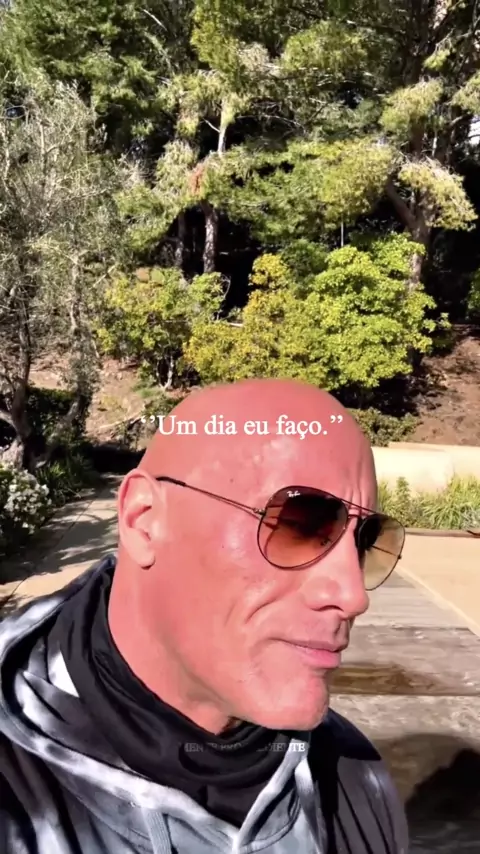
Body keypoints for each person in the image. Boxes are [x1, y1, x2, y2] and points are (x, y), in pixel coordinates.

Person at [0, 378, 408, 854]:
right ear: (144, 520)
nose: (353, 595)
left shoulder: (352, 777)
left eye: (364, 541)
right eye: (300, 524)